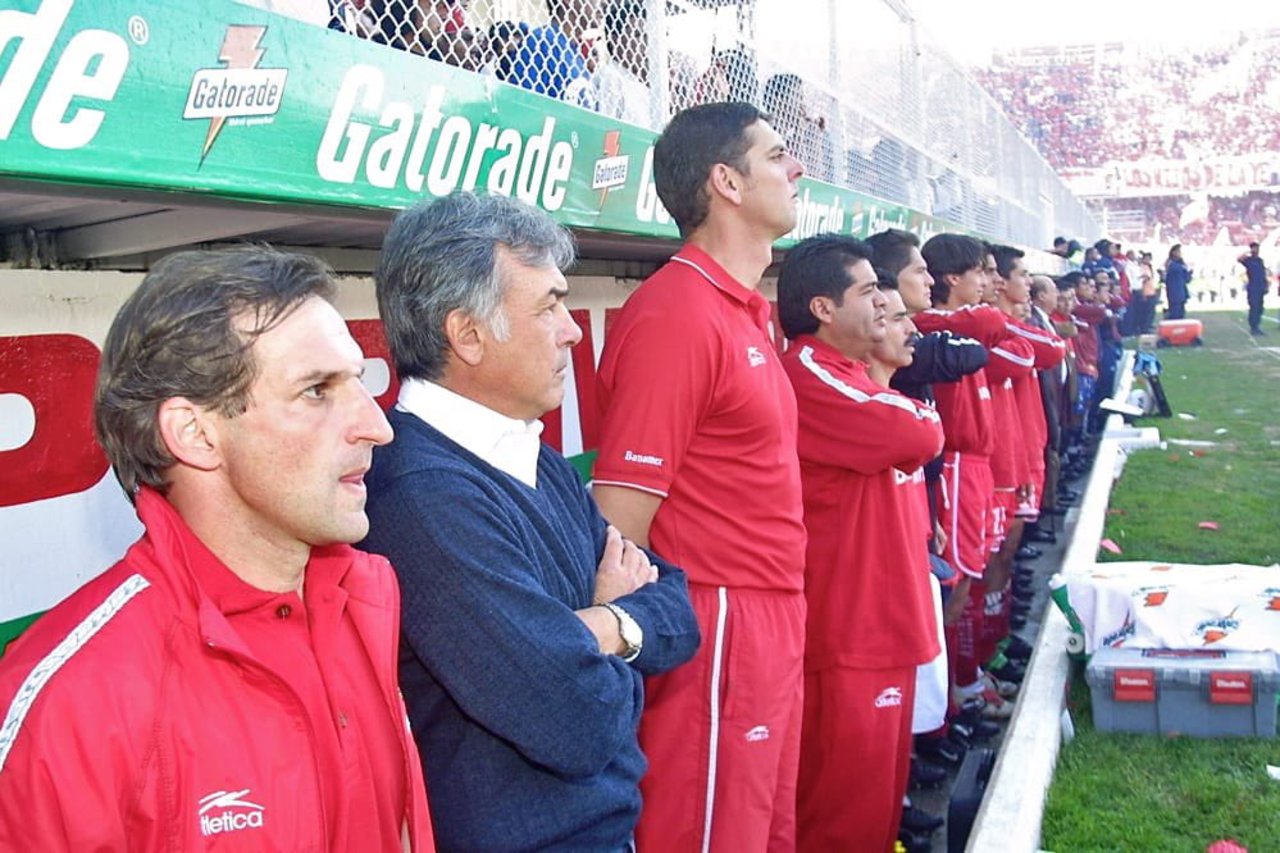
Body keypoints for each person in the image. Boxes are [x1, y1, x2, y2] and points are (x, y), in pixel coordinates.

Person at [0, 248, 435, 851]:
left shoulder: (365, 597)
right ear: (195, 433)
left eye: (358, 383)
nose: (377, 426)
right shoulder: (72, 705)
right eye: (316, 391)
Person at [361, 192, 700, 851]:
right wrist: (622, 631)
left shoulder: (533, 457)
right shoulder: (421, 493)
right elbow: (577, 720)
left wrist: (599, 625)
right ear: (467, 334)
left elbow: (680, 610)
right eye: (547, 305)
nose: (571, 328)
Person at [593, 102, 808, 852]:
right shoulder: (677, 313)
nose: (797, 168)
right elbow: (619, 520)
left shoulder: (745, 312)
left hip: (771, 612)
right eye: (778, 154)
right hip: (718, 626)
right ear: (727, 181)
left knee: (763, 827)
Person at [777, 235, 943, 851]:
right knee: (840, 818)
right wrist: (917, 413)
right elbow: (918, 432)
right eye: (868, 290)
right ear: (823, 308)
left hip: (881, 625)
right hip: (847, 633)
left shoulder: (853, 375)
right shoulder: (810, 372)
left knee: (874, 812)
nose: (883, 302)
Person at [1239, 241, 1269, 335]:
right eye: (1254, 248)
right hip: (1253, 287)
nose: (1256, 250)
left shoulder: (1259, 260)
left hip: (1260, 286)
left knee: (1260, 308)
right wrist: (1247, 252)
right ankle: (1253, 327)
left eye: (1257, 248)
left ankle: (1257, 326)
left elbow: (1263, 274)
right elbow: (1239, 259)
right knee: (1254, 307)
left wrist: (1266, 285)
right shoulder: (1248, 260)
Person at [1164, 243, 1192, 320]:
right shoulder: (1171, 263)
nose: (1180, 253)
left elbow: (1186, 279)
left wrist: (1189, 273)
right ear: (1174, 252)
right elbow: (1173, 270)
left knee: (1181, 313)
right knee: (1175, 313)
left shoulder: (1181, 263)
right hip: (1174, 292)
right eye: (1178, 251)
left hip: (1181, 292)